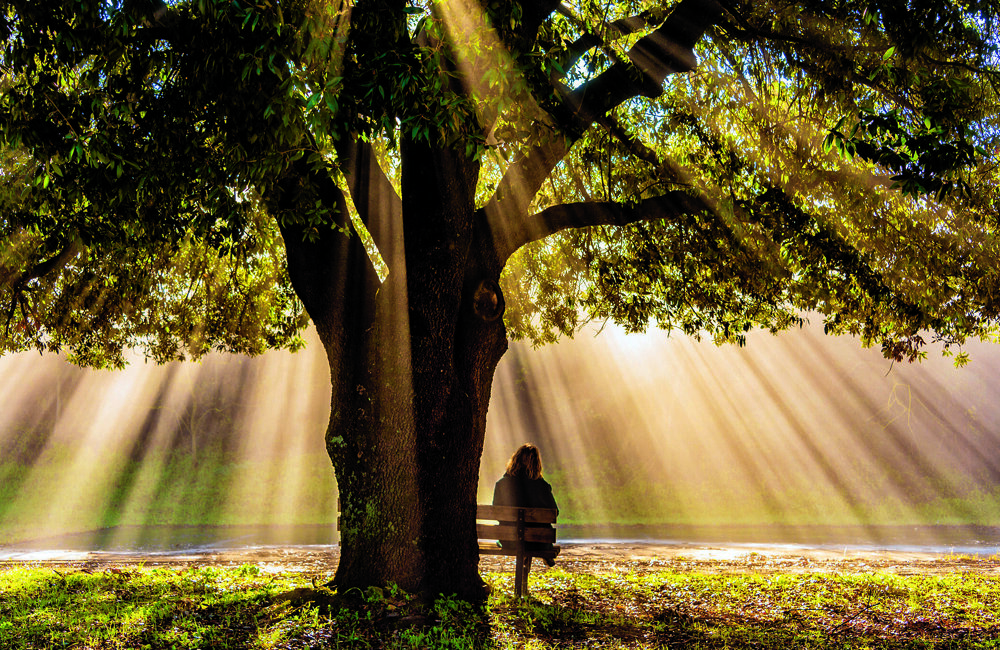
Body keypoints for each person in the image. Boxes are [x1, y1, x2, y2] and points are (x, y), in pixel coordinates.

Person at [492, 443, 559, 566]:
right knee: (535, 535)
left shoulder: (502, 484)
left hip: (509, 540)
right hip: (538, 542)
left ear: (514, 461)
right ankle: (545, 554)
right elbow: (555, 512)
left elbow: (496, 513)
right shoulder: (542, 486)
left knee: (517, 535)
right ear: (537, 464)